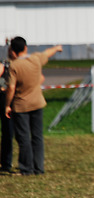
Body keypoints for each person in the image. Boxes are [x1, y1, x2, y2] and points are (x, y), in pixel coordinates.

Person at [5, 37, 63, 175]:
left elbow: (11, 88)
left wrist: (7, 105)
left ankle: (27, 168)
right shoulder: (35, 59)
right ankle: (39, 167)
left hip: (21, 106)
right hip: (37, 103)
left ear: (12, 51)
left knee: (23, 137)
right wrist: (56, 48)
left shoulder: (14, 66)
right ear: (25, 48)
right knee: (37, 136)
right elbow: (47, 53)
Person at [0, 47, 15, 173]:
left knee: (7, 133)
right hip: (4, 98)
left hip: (4, 98)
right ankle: (6, 162)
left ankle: (6, 163)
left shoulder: (10, 65)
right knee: (7, 132)